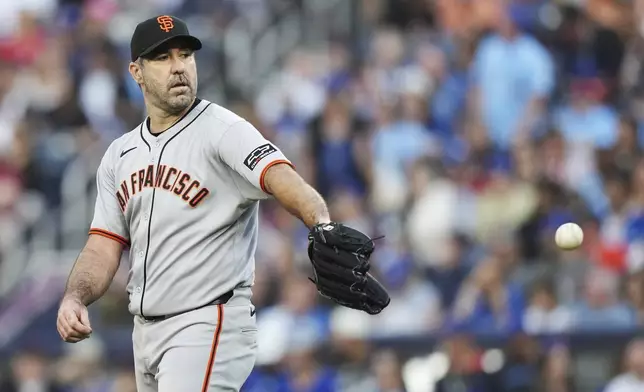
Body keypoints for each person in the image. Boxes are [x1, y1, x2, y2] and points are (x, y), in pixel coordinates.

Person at [55, 15, 334, 392]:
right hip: (146, 332)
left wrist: (321, 222)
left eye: (185, 55)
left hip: (208, 320)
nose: (178, 67)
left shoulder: (223, 130)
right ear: (136, 72)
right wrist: (75, 297)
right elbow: (104, 245)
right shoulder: (119, 155)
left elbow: (281, 177)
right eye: (163, 58)